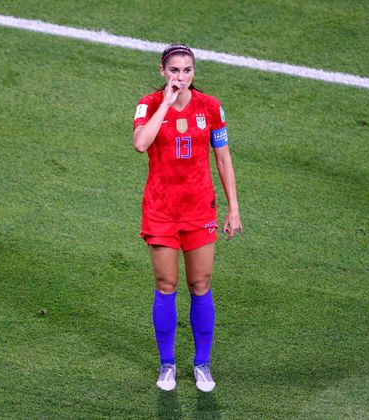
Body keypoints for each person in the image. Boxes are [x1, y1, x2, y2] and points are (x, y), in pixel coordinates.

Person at [133, 44, 242, 392]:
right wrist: (165, 103)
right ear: (163, 72)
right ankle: (167, 364)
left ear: (194, 72)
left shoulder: (211, 108)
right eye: (175, 70)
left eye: (188, 70)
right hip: (161, 211)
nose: (182, 77)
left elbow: (223, 159)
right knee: (166, 286)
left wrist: (233, 208)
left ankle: (202, 364)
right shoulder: (149, 104)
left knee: (200, 285)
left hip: (199, 212)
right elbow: (140, 143)